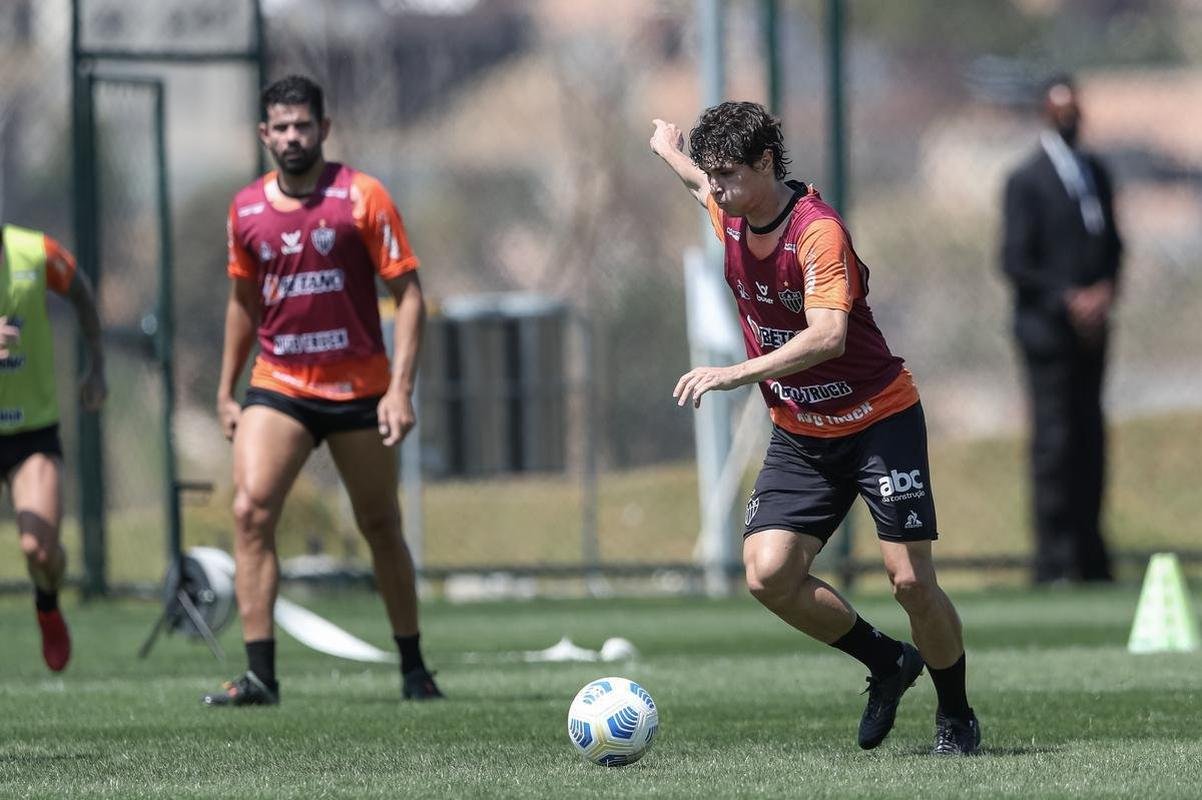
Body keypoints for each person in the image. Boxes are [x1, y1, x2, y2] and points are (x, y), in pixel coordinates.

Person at [651, 102, 979, 755]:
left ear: (766, 164)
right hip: (803, 430)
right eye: (712, 177)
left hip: (878, 418)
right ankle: (887, 663)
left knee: (911, 582)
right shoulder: (733, 212)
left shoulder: (817, 232)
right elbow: (695, 184)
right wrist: (667, 149)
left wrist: (736, 373)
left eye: (728, 176)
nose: (716, 189)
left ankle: (956, 715)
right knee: (767, 575)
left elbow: (828, 336)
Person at [205, 75, 441, 706]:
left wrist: (400, 390)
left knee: (380, 525)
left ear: (323, 129)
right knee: (251, 511)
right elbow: (242, 305)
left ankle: (414, 668)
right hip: (278, 383)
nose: (291, 137)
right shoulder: (245, 210)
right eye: (280, 127)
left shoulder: (363, 196)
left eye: (302, 126)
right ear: (264, 135)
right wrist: (226, 390)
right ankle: (260, 677)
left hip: (359, 388)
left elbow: (410, 296)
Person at [1001, 74, 1121, 585]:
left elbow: (1113, 243)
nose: (1069, 119)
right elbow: (1014, 260)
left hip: (1092, 333)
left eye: (1075, 109)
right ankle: (1054, 558)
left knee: (1090, 437)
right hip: (1047, 333)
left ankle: (1092, 554)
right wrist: (1067, 298)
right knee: (1054, 440)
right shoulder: (1026, 179)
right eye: (1060, 109)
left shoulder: (1095, 170)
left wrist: (1104, 291)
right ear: (1044, 114)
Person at [1, 223, 106, 673]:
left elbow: (81, 294)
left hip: (30, 429)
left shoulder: (35, 251)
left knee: (39, 551)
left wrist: (96, 365)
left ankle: (48, 604)